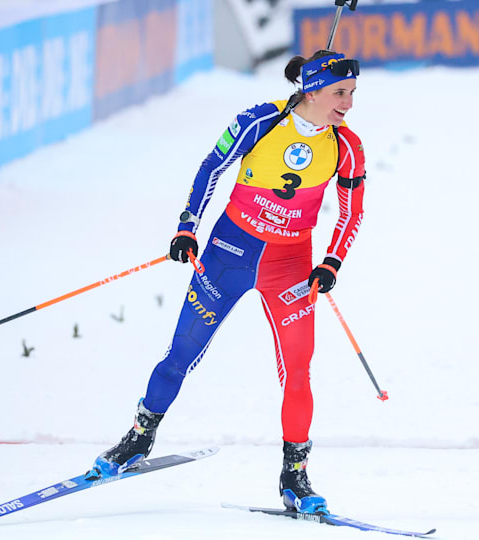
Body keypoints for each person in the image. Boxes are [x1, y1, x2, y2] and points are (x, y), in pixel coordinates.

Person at [87, 50, 367, 515]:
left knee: (298, 371)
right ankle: (138, 438)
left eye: (353, 93)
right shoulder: (260, 121)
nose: (349, 104)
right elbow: (211, 168)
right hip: (227, 255)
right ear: (313, 89)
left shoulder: (347, 144)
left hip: (291, 267)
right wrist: (186, 226)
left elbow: (351, 210)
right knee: (181, 354)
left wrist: (332, 261)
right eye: (340, 93)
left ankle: (294, 476)